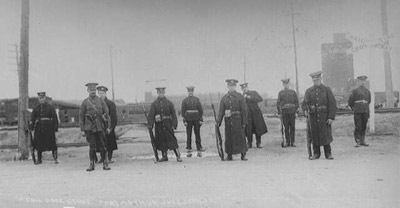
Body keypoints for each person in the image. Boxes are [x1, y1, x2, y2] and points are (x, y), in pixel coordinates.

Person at [301, 71, 337, 160]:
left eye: (317, 79)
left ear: (321, 79)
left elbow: (332, 104)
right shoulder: (308, 91)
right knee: (314, 135)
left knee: (325, 134)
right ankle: (316, 153)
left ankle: (328, 153)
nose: (316, 81)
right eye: (314, 80)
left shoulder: (327, 90)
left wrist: (331, 117)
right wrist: (305, 110)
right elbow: (304, 103)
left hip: (324, 116)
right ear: (312, 80)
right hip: (313, 117)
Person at [79, 83, 111, 171]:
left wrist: (108, 126)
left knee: (102, 146)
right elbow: (81, 117)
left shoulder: (100, 101)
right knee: (92, 146)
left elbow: (107, 113)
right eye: (91, 90)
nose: (93, 92)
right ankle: (91, 164)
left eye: (94, 90)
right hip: (89, 128)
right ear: (88, 91)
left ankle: (105, 163)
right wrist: (82, 129)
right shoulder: (85, 102)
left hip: (99, 127)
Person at [147, 87, 182, 162]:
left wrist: (174, 125)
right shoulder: (154, 104)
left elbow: (173, 115)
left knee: (172, 141)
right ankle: (164, 156)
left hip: (168, 125)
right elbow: (151, 115)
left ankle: (178, 156)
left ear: (164, 93)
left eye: (162, 93)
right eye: (159, 93)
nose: (161, 94)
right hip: (159, 126)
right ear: (157, 93)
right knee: (161, 141)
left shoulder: (169, 103)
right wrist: (150, 124)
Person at [217, 79, 248, 161]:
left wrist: (244, 122)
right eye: (230, 86)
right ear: (227, 86)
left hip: (238, 120)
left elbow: (244, 110)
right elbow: (221, 111)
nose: (231, 88)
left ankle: (243, 154)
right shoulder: (224, 98)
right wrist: (218, 121)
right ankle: (229, 155)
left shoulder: (240, 97)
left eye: (233, 86)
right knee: (229, 137)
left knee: (240, 137)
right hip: (228, 120)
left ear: (235, 86)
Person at [29, 92, 59, 164]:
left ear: (45, 98)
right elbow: (32, 119)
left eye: (43, 98)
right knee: (39, 144)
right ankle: (39, 159)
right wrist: (31, 128)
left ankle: (55, 159)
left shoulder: (50, 108)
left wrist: (55, 128)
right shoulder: (36, 109)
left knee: (52, 143)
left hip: (48, 128)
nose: (41, 99)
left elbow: (55, 118)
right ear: (38, 99)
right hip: (39, 128)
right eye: (40, 98)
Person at [239, 83, 268, 148]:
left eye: (245, 88)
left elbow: (260, 99)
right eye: (243, 88)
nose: (244, 89)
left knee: (257, 128)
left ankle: (259, 143)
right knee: (248, 129)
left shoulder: (253, 93)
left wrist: (250, 97)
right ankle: (249, 143)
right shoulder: (241, 96)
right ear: (241, 89)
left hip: (256, 114)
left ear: (247, 87)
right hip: (247, 115)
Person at [348, 75, 371, 147]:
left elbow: (368, 101)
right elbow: (350, 101)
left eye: (363, 81)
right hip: (357, 111)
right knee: (358, 126)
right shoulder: (354, 91)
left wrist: (367, 110)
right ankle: (357, 141)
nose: (362, 82)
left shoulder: (367, 91)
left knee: (364, 126)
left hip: (365, 111)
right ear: (358, 82)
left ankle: (362, 140)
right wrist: (354, 108)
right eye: (361, 81)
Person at [97, 86, 118, 162]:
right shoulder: (96, 104)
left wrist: (111, 127)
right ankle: (102, 157)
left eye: (102, 93)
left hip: (108, 126)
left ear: (105, 93)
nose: (101, 95)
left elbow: (114, 117)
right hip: (99, 127)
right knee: (100, 142)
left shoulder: (110, 104)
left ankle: (109, 157)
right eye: (99, 93)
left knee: (109, 142)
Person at [181, 86, 205, 152]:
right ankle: (189, 147)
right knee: (189, 134)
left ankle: (199, 147)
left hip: (196, 119)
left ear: (193, 92)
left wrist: (201, 119)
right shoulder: (185, 101)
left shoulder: (197, 100)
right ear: (187, 92)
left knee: (197, 133)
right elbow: (183, 112)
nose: (190, 93)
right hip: (188, 119)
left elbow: (200, 111)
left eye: (191, 91)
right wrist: (184, 120)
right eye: (189, 92)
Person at [277, 78, 299, 147]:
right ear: (283, 84)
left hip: (292, 112)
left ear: (289, 84)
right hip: (284, 113)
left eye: (287, 83)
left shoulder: (293, 92)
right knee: (286, 127)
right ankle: (287, 142)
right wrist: (279, 112)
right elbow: (278, 103)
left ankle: (293, 142)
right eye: (284, 84)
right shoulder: (280, 93)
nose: (286, 85)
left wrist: (296, 111)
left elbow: (297, 102)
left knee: (292, 127)